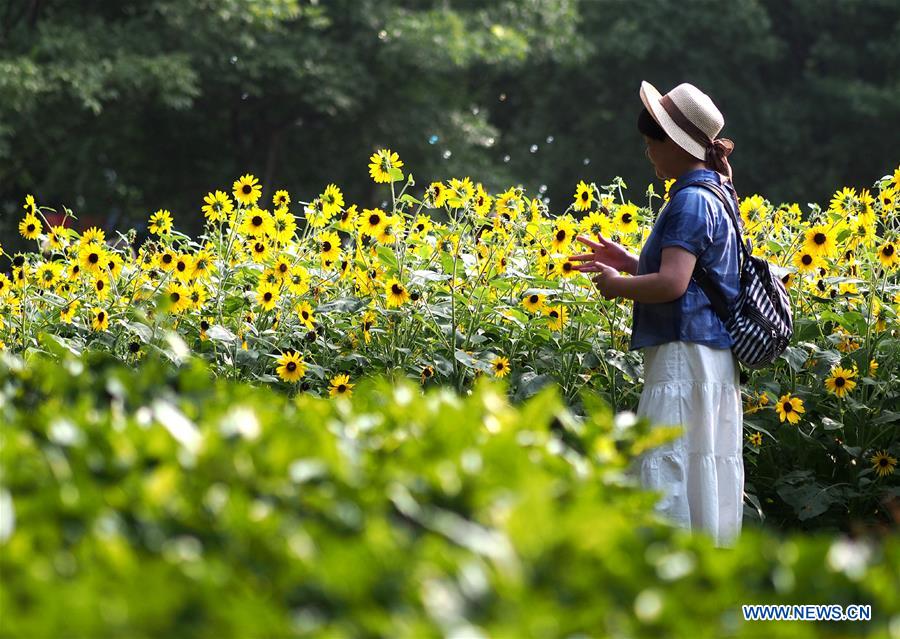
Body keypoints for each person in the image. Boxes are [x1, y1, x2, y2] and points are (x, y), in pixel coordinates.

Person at [570, 81, 744, 547]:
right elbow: (692, 271)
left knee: (668, 467)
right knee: (702, 470)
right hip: (710, 357)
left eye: (653, 144)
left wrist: (617, 286)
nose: (649, 154)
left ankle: (668, 578)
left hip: (683, 357)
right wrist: (631, 261)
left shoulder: (689, 200)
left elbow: (673, 284)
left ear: (677, 145)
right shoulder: (717, 194)